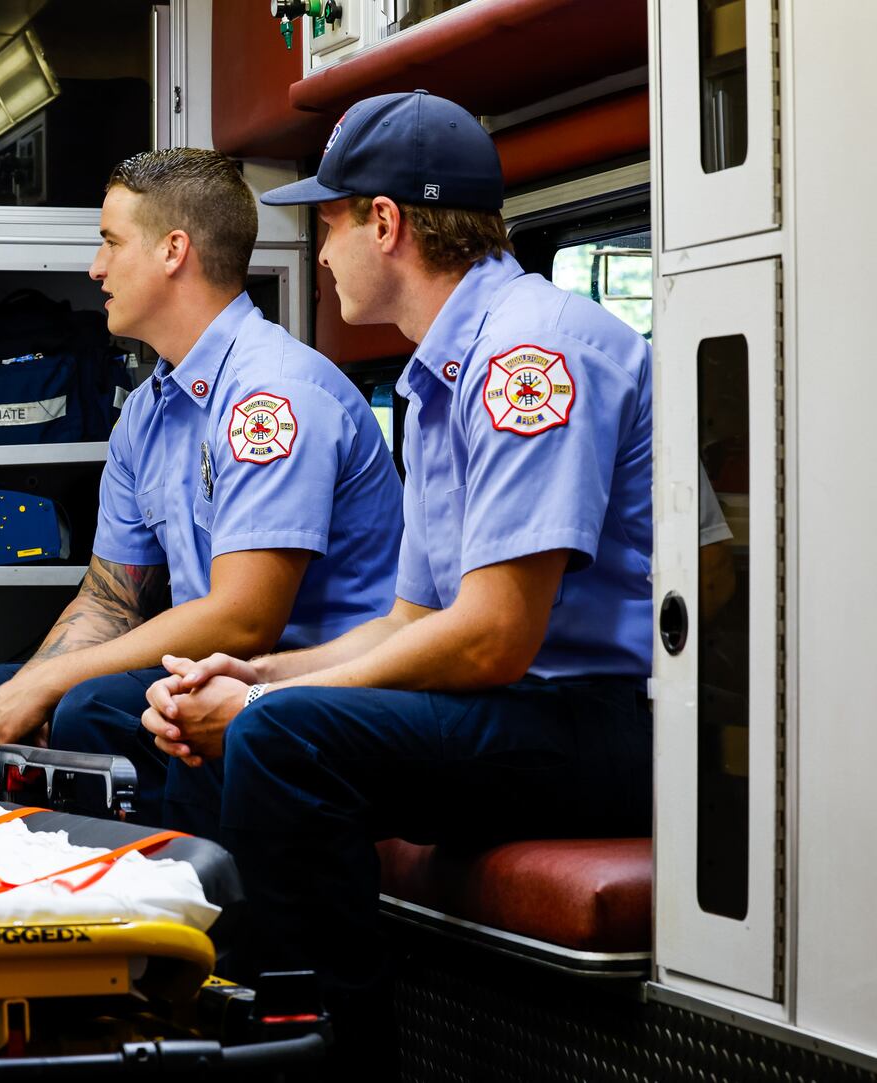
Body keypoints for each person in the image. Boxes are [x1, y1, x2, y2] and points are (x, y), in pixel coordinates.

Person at [141, 91, 655, 1071]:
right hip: (531, 714)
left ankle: (332, 1058)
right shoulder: (435, 383)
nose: (322, 254)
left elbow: (492, 636)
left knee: (283, 743)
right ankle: (226, 1024)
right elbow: (412, 620)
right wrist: (250, 680)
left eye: (328, 224)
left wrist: (264, 709)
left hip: (608, 721)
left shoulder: (526, 354)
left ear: (385, 223)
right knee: (223, 724)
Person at [0, 148, 403, 832]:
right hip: (200, 670)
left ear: (173, 250)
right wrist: (23, 691)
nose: (96, 268)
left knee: (88, 707)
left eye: (111, 243)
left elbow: (244, 619)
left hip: (312, 686)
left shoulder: (272, 394)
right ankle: (38, 915)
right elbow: (109, 597)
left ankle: (169, 920)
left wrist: (51, 685)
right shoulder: (147, 412)